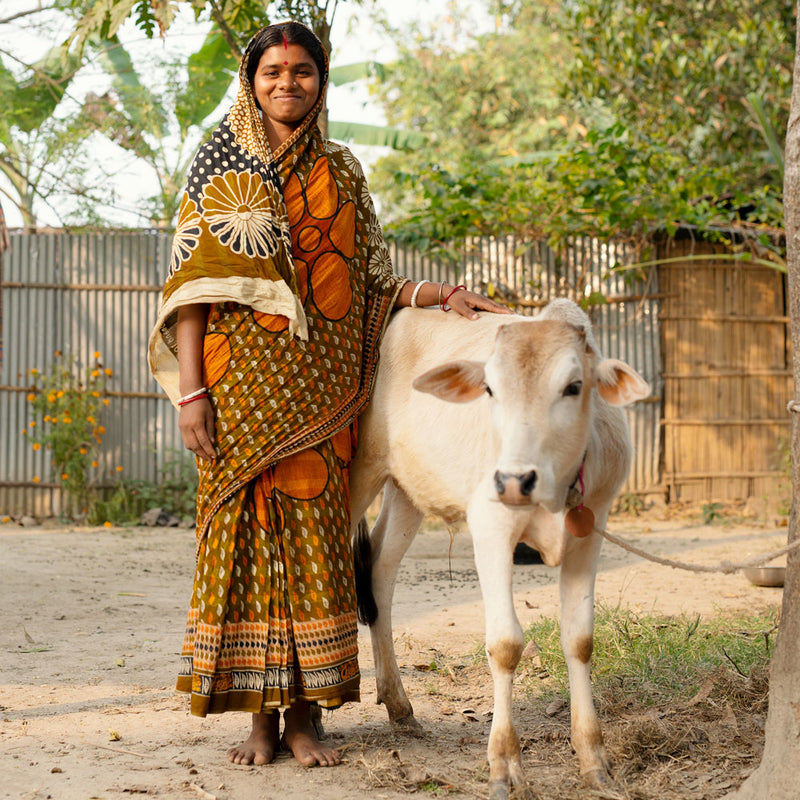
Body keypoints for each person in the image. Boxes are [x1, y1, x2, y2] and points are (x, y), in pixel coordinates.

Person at [148, 20, 510, 769]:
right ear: (251, 80)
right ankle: (256, 721)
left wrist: (439, 293)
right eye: (273, 71)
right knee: (242, 542)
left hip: (323, 392)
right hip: (235, 385)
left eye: (303, 70)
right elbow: (191, 288)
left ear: (321, 79)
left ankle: (307, 720)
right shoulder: (219, 161)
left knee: (318, 545)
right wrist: (192, 394)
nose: (288, 83)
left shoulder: (343, 171)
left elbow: (370, 279)